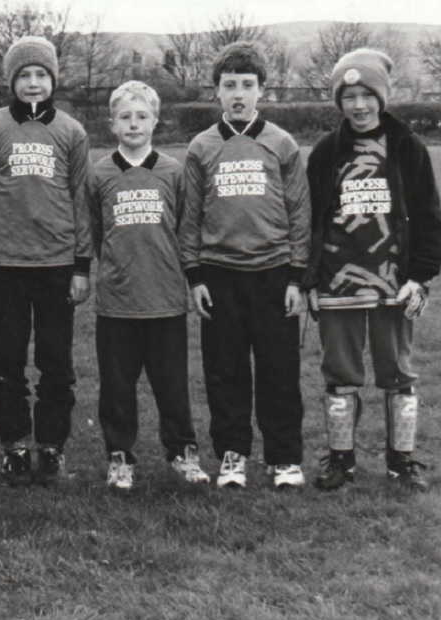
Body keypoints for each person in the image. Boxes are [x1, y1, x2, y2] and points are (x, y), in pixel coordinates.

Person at [303, 49, 441, 491]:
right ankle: (340, 461)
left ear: (382, 97)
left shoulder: (406, 146)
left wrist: (420, 277)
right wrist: (308, 279)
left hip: (393, 285)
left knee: (398, 376)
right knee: (340, 375)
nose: (358, 105)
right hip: (338, 282)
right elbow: (310, 220)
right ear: (338, 101)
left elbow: (428, 216)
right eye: (348, 96)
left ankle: (401, 461)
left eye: (367, 95)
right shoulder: (326, 152)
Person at [178, 42, 310, 489]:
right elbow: (190, 217)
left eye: (247, 86)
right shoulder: (201, 147)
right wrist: (194, 277)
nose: (238, 94)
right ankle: (233, 455)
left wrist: (297, 277)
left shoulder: (281, 143)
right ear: (215, 91)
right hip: (219, 274)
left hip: (273, 272)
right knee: (225, 370)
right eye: (229, 85)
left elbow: (299, 213)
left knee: (279, 371)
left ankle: (284, 458)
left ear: (262, 92)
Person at [0, 36, 92, 486]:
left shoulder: (71, 132)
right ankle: (16, 444)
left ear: (53, 80)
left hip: (57, 263)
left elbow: (81, 200)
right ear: (12, 81)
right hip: (5, 264)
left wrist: (81, 266)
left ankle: (52, 446)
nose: (34, 83)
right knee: (7, 360)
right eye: (25, 75)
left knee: (56, 362)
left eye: (41, 75)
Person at [86, 81, 210, 491]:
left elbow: (185, 229)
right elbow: (98, 230)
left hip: (166, 300)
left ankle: (182, 453)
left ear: (156, 120)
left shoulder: (173, 171)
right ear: (112, 124)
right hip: (117, 302)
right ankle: (120, 457)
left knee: (172, 385)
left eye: (142, 116)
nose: (134, 123)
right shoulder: (100, 173)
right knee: (117, 388)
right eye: (125, 116)